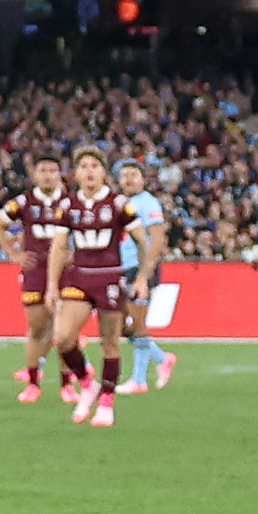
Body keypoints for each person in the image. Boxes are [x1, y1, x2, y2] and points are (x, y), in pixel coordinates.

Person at [41, 145, 136, 428]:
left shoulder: (118, 204)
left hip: (110, 277)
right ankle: (88, 383)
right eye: (83, 167)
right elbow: (58, 246)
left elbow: (146, 239)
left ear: (104, 173)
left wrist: (142, 275)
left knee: (110, 342)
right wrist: (51, 285)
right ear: (76, 174)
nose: (89, 171)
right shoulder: (69, 206)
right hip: (79, 277)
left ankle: (107, 402)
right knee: (63, 336)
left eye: (95, 166)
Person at [0, 155, 69, 405]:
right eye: (43, 170)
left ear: (60, 173)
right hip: (35, 271)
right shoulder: (24, 201)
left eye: (53, 170)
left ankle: (67, 384)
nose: (48, 174)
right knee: (38, 327)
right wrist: (14, 254)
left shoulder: (71, 201)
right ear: (35, 175)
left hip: (66, 272)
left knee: (64, 331)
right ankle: (33, 383)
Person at [115, 156, 177, 394]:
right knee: (119, 326)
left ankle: (139, 379)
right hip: (120, 267)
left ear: (142, 179)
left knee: (138, 322)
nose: (129, 180)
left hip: (139, 268)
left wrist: (146, 270)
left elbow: (158, 237)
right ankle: (162, 358)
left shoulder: (148, 203)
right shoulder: (119, 201)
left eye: (134, 175)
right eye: (124, 175)